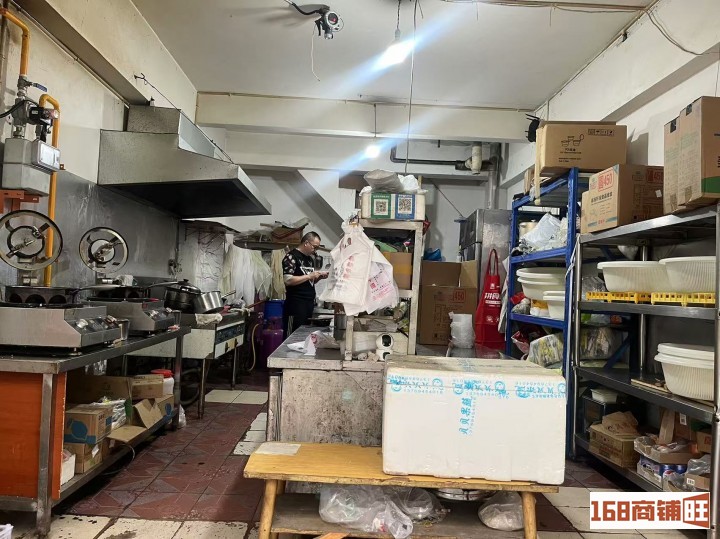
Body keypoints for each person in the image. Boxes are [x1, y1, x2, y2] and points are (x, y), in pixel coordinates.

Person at [282, 231, 328, 336]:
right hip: (295, 305)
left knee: (303, 336)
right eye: (314, 247)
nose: (315, 250)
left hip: (308, 304)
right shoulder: (291, 257)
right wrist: (309, 276)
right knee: (292, 336)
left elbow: (308, 281)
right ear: (306, 243)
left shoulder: (309, 259)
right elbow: (288, 280)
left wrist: (319, 277)